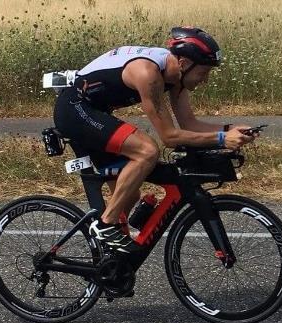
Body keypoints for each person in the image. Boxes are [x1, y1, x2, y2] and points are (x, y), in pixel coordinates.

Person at [53, 26, 255, 259]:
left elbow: (188, 124)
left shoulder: (176, 75)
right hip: (75, 110)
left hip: (97, 112)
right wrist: (222, 139)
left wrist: (230, 130)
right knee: (147, 150)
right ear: (183, 62)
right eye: (204, 72)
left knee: (130, 193)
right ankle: (105, 225)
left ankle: (110, 266)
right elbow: (169, 137)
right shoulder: (148, 74)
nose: (205, 80)